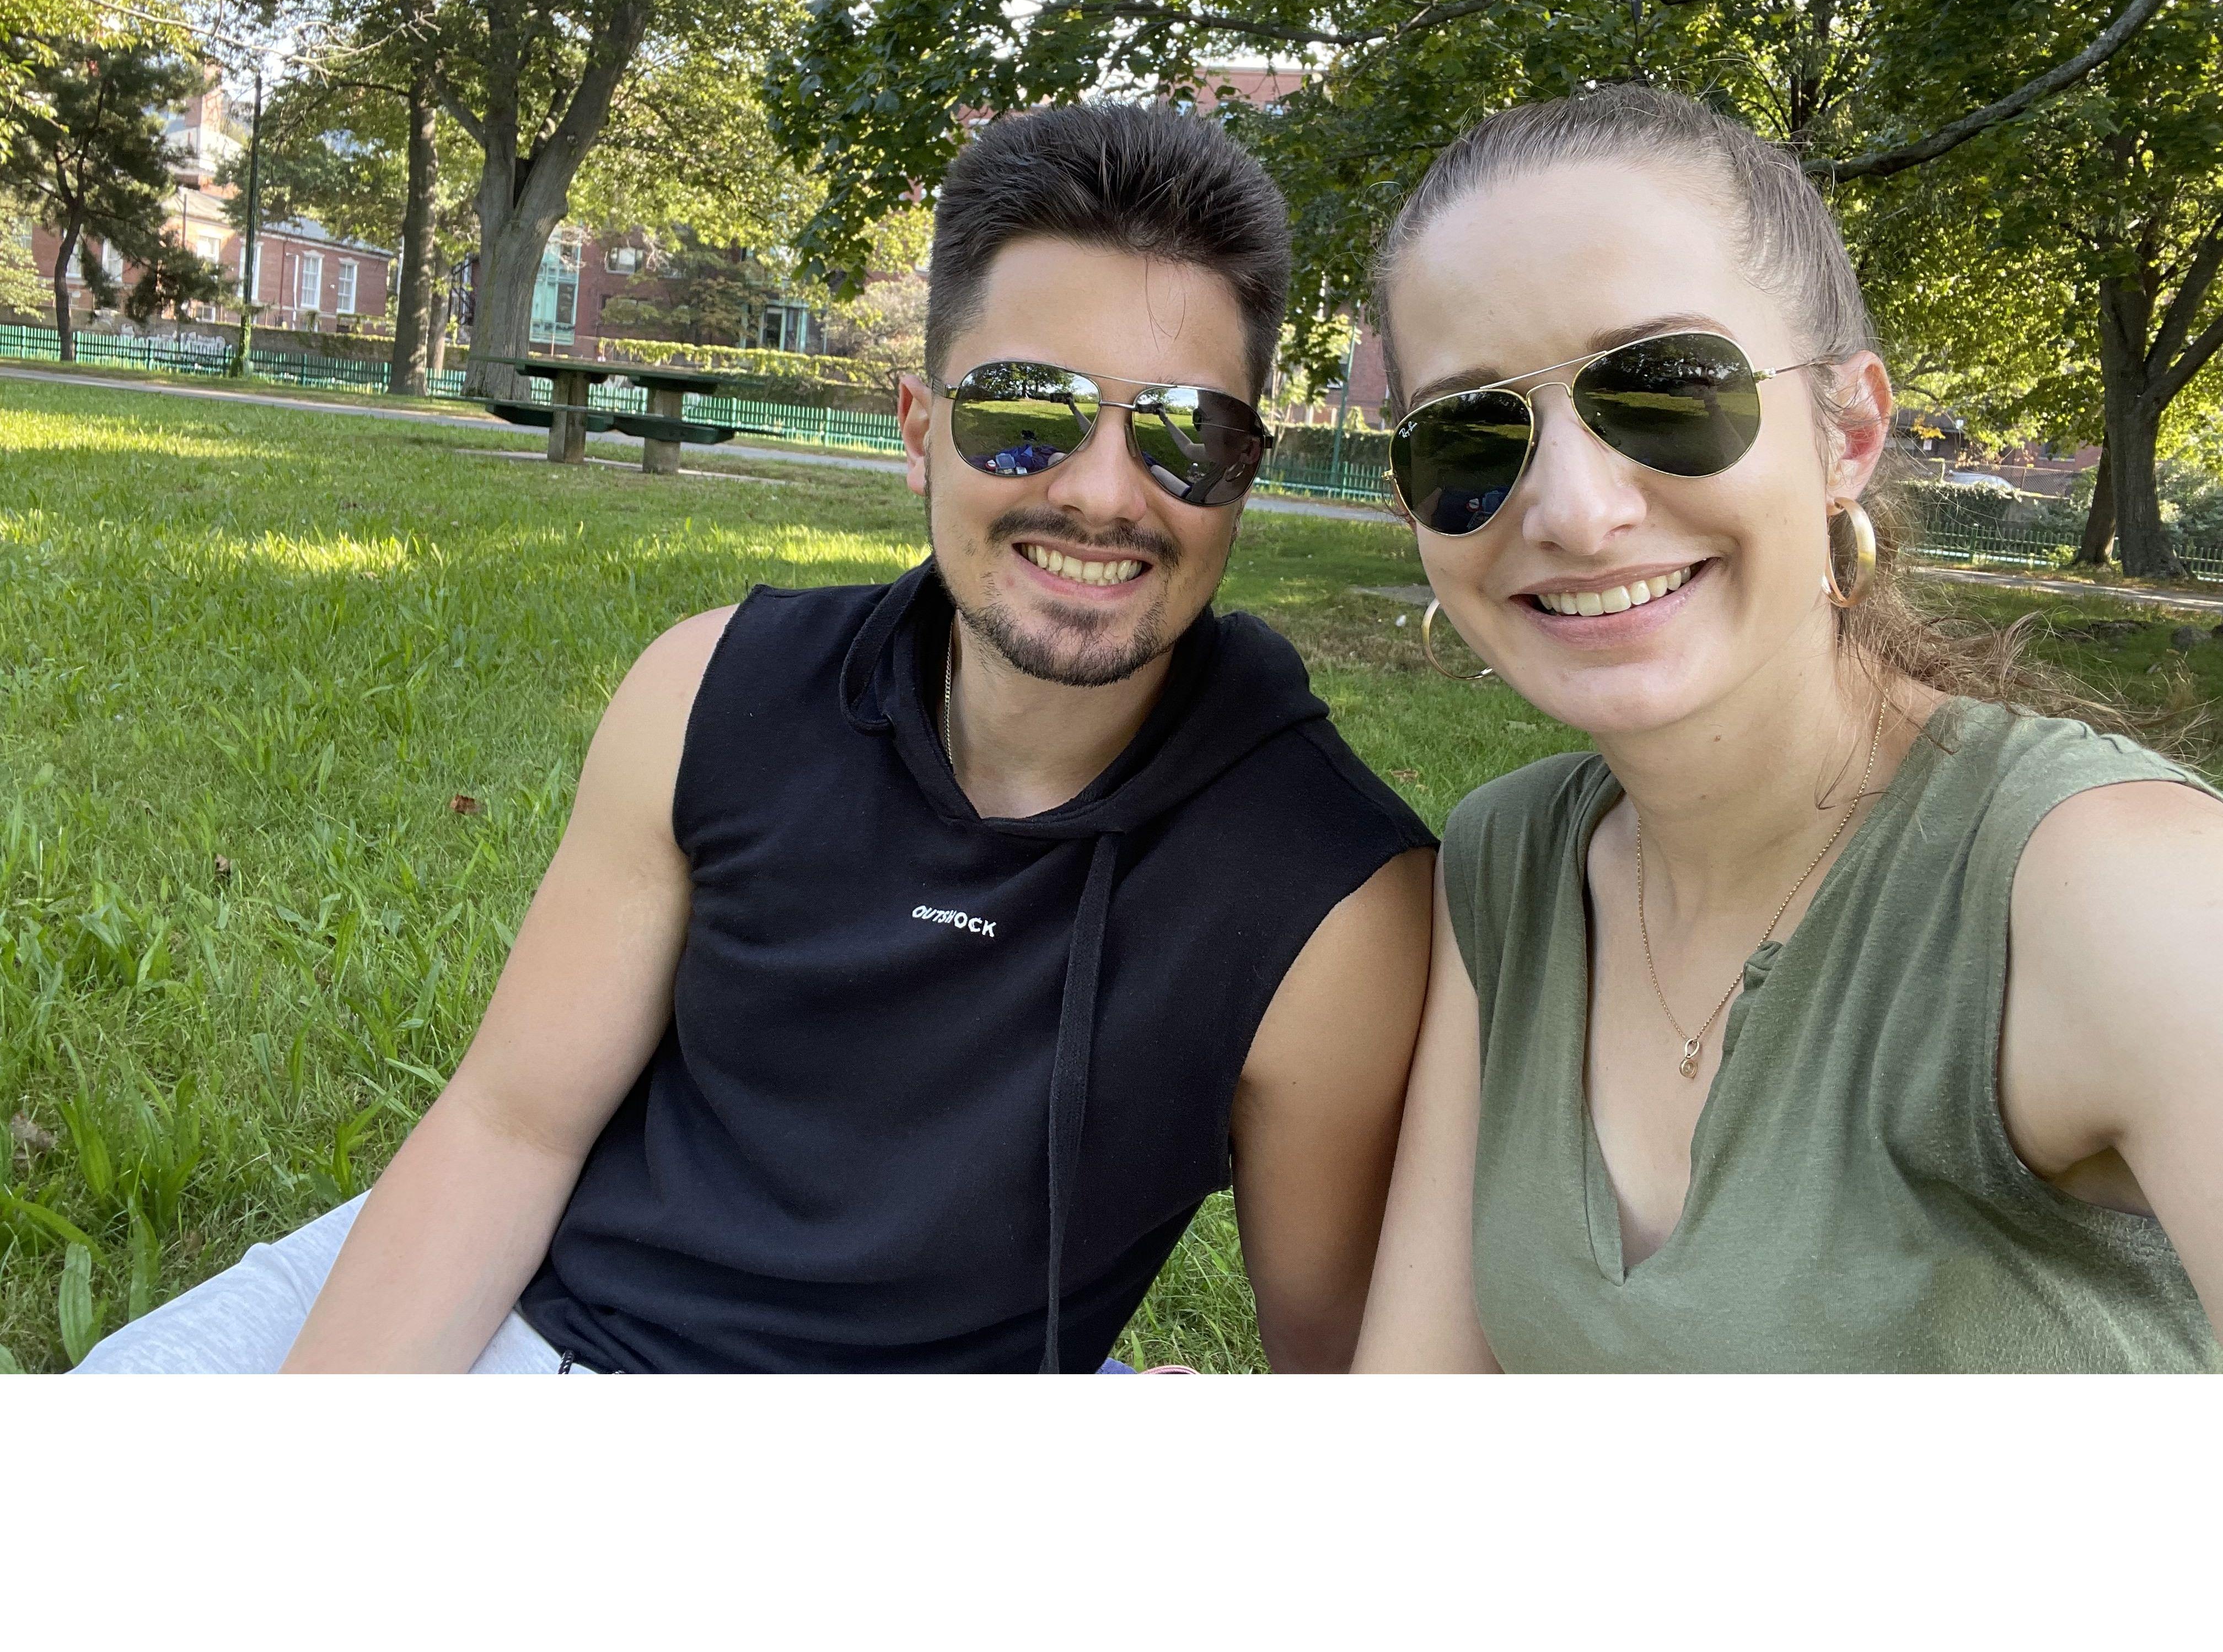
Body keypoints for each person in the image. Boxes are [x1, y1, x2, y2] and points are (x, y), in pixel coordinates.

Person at [83, 104, 1433, 1375]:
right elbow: (511, 1126)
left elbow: (1342, 1373)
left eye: (1187, 435)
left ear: (1245, 473)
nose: (1101, 495)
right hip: (518, 1281)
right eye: (1026, 414)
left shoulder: (1328, 893)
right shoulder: (712, 687)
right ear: (919, 430)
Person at [1352, 86, 2223, 1374]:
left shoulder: (2121, 891)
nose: (1576, 512)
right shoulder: (1508, 865)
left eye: (1665, 391)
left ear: (1849, 432)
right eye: (1470, 435)